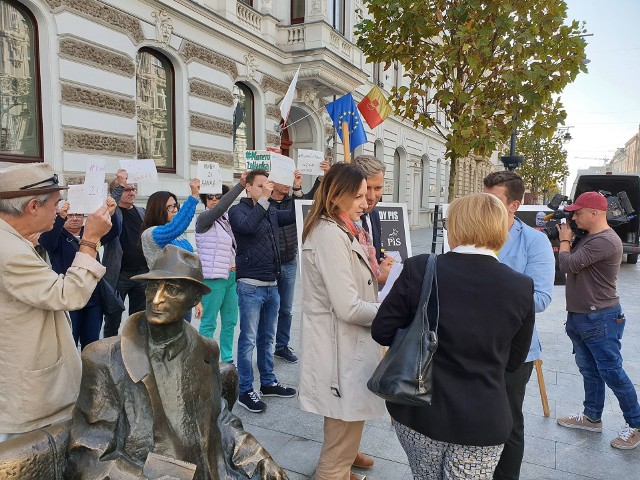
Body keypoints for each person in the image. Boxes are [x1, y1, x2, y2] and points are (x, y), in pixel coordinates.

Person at [64, 245, 287, 480]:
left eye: (172, 289)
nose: (156, 299)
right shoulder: (104, 359)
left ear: (195, 299)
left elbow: (219, 420)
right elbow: (87, 458)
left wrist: (257, 458)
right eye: (153, 286)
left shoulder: (206, 350)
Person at [371, 193, 535, 480]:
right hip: (483, 418)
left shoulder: (420, 268)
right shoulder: (520, 286)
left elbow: (382, 330)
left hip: (418, 409)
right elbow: (515, 361)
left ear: (455, 226)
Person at [0, 163, 111, 441]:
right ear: (33, 207)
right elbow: (68, 295)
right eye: (55, 203)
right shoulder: (10, 251)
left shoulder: (12, 241)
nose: (61, 209)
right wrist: (90, 240)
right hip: (29, 402)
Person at [298, 163, 384, 480]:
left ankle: (342, 467)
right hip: (340, 346)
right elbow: (348, 307)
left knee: (347, 418)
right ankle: (334, 472)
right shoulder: (330, 234)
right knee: (342, 420)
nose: (366, 202)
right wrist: (390, 312)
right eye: (360, 196)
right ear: (338, 196)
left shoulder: (341, 228)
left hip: (347, 344)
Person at [483, 171, 555, 480]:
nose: (485, 205)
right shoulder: (471, 230)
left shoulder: (534, 241)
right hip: (469, 343)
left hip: (514, 349)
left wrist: (488, 287)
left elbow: (540, 299)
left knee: (509, 422)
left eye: (494, 200)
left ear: (514, 205)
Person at [556, 191, 640, 449]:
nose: (574, 217)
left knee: (612, 372)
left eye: (578, 212)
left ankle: (636, 424)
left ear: (595, 213)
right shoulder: (592, 238)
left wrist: (565, 241)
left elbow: (568, 265)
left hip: (599, 318)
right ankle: (592, 417)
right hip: (584, 316)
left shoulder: (604, 241)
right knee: (590, 371)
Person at [228, 169, 297, 413]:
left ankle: (267, 382)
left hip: (272, 285)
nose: (265, 189)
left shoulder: (270, 211)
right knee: (247, 339)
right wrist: (266, 201)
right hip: (250, 286)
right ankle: (245, 390)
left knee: (267, 337)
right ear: (248, 187)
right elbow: (246, 228)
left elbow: (295, 215)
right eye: (260, 186)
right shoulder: (238, 210)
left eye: (267, 184)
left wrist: (297, 190)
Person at [38, 197, 121, 350]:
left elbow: (114, 231)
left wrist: (112, 213)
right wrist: (60, 219)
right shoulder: (58, 234)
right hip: (68, 297)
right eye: (70, 215)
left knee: (92, 344)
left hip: (93, 297)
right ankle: (71, 373)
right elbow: (46, 243)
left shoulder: (90, 233)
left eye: (79, 215)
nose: (75, 218)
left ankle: (88, 372)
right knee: (68, 342)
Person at [269, 165, 327, 364]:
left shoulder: (293, 200)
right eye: (282, 180)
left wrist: (319, 179)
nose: (286, 185)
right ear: (271, 182)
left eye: (289, 180)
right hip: (269, 264)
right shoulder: (264, 203)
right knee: (268, 309)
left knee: (286, 308)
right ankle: (265, 347)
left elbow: (309, 202)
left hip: (290, 262)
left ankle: (281, 346)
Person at [195, 171, 248, 363]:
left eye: (219, 197)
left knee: (230, 322)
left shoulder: (225, 220)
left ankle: (227, 360)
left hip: (230, 277)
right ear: (205, 199)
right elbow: (218, 210)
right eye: (211, 197)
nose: (215, 200)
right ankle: (205, 362)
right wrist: (240, 185)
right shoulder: (204, 219)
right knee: (209, 323)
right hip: (213, 279)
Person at [141, 178, 203, 321]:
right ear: (158, 209)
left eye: (176, 205)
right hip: (163, 298)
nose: (175, 210)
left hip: (181, 295)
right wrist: (193, 197)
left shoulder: (178, 235)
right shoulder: (152, 233)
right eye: (170, 207)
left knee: (182, 337)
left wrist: (195, 299)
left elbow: (188, 268)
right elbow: (176, 226)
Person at [103, 168, 148, 337]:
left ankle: (134, 351)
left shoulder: (141, 212)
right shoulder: (113, 213)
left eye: (133, 189)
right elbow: (108, 211)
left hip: (141, 273)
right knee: (113, 317)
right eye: (127, 189)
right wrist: (119, 183)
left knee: (138, 319)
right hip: (119, 274)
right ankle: (108, 351)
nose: (132, 192)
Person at [352, 155, 394, 286]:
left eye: (377, 188)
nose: (371, 197)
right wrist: (377, 277)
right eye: (367, 189)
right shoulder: (338, 222)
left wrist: (382, 266)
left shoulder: (374, 216)